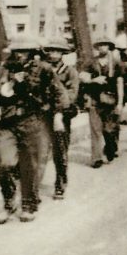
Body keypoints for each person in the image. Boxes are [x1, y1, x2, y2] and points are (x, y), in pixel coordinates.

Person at [0, 35, 68, 223]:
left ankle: (28, 205)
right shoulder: (5, 68)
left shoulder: (44, 69)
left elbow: (59, 93)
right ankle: (9, 204)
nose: (20, 56)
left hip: (34, 120)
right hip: (8, 122)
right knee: (4, 163)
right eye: (17, 52)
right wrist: (9, 84)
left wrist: (58, 116)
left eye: (24, 52)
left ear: (33, 53)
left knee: (31, 166)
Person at [43, 37, 79, 200]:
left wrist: (59, 108)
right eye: (51, 51)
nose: (54, 54)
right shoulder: (43, 69)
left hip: (61, 115)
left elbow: (72, 94)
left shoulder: (69, 71)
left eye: (58, 51)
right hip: (43, 113)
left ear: (63, 53)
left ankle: (60, 183)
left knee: (60, 150)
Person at [79, 35, 124, 166]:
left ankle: (110, 148)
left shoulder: (116, 63)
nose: (102, 47)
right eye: (100, 45)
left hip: (111, 100)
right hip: (94, 100)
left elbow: (120, 82)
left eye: (105, 45)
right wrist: (93, 80)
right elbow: (81, 75)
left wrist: (120, 102)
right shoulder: (91, 62)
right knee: (95, 130)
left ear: (109, 47)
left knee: (110, 130)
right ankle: (96, 158)